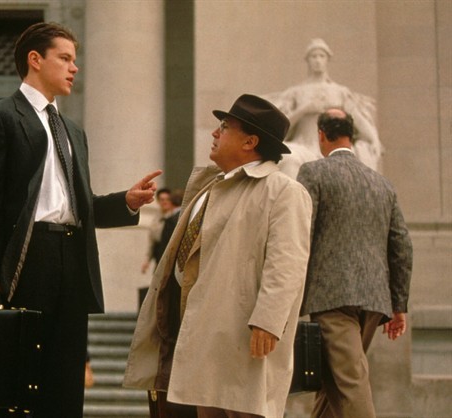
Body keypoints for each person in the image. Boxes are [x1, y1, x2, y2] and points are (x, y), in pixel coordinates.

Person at [0, 22, 161, 418]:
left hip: (73, 260)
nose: (74, 68)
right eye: (65, 58)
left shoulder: (72, 130)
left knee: (65, 378)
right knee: (14, 376)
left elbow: (78, 206)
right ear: (35, 60)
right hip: (26, 259)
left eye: (75, 60)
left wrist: (125, 202)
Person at [124, 94, 313, 418]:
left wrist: (268, 321)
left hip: (242, 331)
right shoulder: (211, 186)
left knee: (243, 409)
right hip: (199, 327)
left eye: (224, 127)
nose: (214, 133)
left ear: (250, 142)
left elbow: (288, 263)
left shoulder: (283, 191)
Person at [296, 108, 413, 418]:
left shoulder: (313, 173)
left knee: (349, 382)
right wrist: (399, 304)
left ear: (321, 135)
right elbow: (401, 245)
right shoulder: (382, 184)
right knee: (333, 383)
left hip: (331, 297)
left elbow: (300, 233)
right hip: (375, 301)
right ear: (352, 136)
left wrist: (287, 294)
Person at [269, 38, 382, 177]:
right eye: (314, 56)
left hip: (335, 148)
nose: (318, 60)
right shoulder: (296, 92)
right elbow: (280, 127)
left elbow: (357, 119)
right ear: (308, 60)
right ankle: (291, 192)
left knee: (354, 160)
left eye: (321, 56)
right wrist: (304, 110)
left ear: (327, 59)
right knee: (289, 158)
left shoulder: (340, 92)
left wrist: (373, 139)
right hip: (304, 146)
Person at [141, 188, 175, 274]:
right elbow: (152, 242)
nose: (165, 202)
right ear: (158, 201)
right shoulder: (156, 220)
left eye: (167, 199)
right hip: (160, 258)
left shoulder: (176, 218)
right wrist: (147, 261)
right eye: (162, 200)